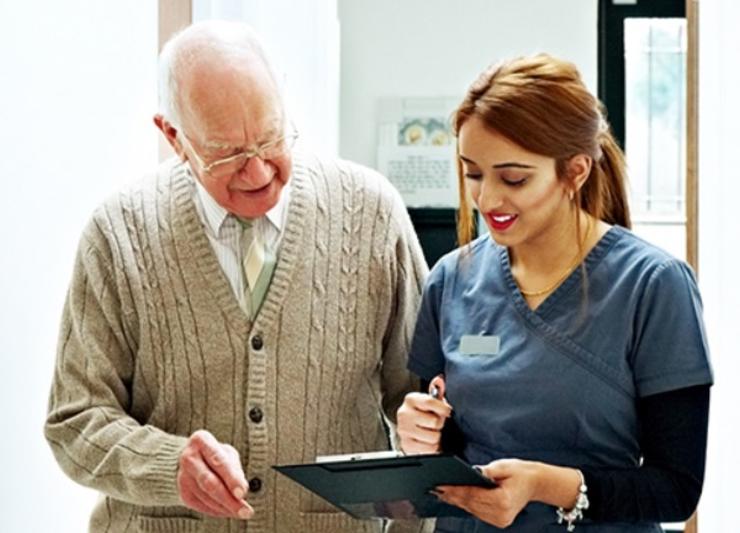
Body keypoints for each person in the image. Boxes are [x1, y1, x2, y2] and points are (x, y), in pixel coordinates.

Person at [44, 20, 430, 533]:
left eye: (271, 139)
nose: (258, 173)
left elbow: (421, 399)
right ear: (173, 137)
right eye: (227, 154)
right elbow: (75, 422)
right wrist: (167, 466)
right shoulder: (119, 235)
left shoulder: (372, 212)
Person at [396, 54, 713, 532]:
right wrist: (420, 435)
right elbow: (448, 453)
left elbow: (675, 491)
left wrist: (546, 485)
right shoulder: (451, 279)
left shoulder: (654, 285)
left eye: (514, 178)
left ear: (575, 172)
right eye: (474, 173)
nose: (487, 200)